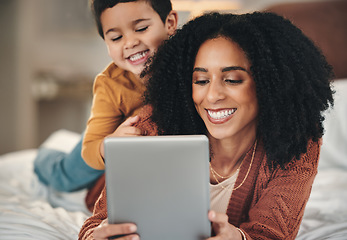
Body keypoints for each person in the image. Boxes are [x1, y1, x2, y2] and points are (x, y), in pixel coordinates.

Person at [78, 12, 334, 240]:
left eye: (232, 79)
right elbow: (95, 222)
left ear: (269, 83)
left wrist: (239, 238)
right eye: (200, 80)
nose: (212, 96)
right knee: (66, 170)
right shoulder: (152, 126)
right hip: (97, 182)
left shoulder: (296, 140)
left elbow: (273, 234)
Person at [33, 0, 178, 208]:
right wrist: (110, 144)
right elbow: (91, 148)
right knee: (64, 177)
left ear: (170, 22)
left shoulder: (190, 62)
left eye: (141, 28)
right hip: (106, 137)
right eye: (116, 38)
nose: (129, 43)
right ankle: (44, 158)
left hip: (132, 152)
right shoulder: (110, 84)